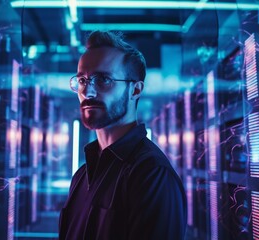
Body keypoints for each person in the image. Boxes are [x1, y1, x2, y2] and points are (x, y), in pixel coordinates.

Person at [58, 30, 187, 240]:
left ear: (135, 90)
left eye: (103, 80)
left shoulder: (152, 174)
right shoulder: (81, 176)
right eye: (82, 80)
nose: (88, 92)